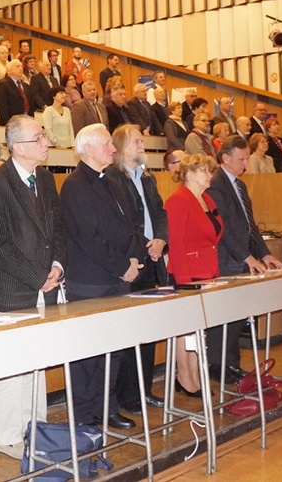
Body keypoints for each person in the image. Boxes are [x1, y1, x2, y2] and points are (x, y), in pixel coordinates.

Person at [0, 116, 64, 459]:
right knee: (13, 368)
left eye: (44, 137)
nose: (46, 144)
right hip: (14, 289)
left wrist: (57, 265)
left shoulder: (44, 179)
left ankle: (36, 428)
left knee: (37, 363)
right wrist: (37, 276)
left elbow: (58, 229)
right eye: (38, 139)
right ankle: (9, 437)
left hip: (46, 286)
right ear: (17, 147)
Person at [60, 124, 144, 430]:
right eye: (107, 144)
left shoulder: (112, 179)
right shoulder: (75, 185)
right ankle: (84, 416)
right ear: (88, 149)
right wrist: (123, 265)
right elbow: (89, 237)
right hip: (91, 281)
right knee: (88, 354)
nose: (112, 148)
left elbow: (130, 222)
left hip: (118, 276)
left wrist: (135, 257)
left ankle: (107, 407)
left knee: (114, 348)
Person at [206, 135, 282, 382]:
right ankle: (218, 367)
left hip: (243, 257)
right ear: (225, 158)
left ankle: (231, 364)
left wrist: (265, 253)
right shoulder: (215, 184)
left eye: (247, 159)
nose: (245, 164)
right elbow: (224, 227)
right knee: (225, 319)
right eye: (241, 160)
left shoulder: (239, 185)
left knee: (238, 317)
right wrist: (247, 256)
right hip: (226, 259)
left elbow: (250, 225)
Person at [108, 124, 168, 412]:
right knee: (128, 334)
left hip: (151, 259)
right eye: (138, 141)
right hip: (130, 262)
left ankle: (144, 390)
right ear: (120, 146)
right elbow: (124, 222)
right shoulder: (112, 178)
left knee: (147, 332)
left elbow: (159, 212)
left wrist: (161, 239)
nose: (143, 145)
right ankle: (128, 394)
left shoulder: (148, 178)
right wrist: (148, 244)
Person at [164, 153, 221, 395]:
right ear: (188, 173)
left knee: (199, 329)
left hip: (208, 271)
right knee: (185, 330)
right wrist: (184, 283)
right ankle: (185, 378)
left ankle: (197, 375)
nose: (210, 175)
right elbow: (175, 244)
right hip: (187, 275)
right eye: (205, 171)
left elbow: (213, 237)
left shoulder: (207, 198)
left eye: (210, 171)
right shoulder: (178, 200)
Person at [0, 59, 31, 127]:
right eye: (17, 66)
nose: (20, 68)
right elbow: (2, 107)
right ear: (9, 70)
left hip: (26, 122)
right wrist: (8, 124)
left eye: (21, 66)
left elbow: (30, 104)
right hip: (12, 124)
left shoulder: (26, 86)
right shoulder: (2, 84)